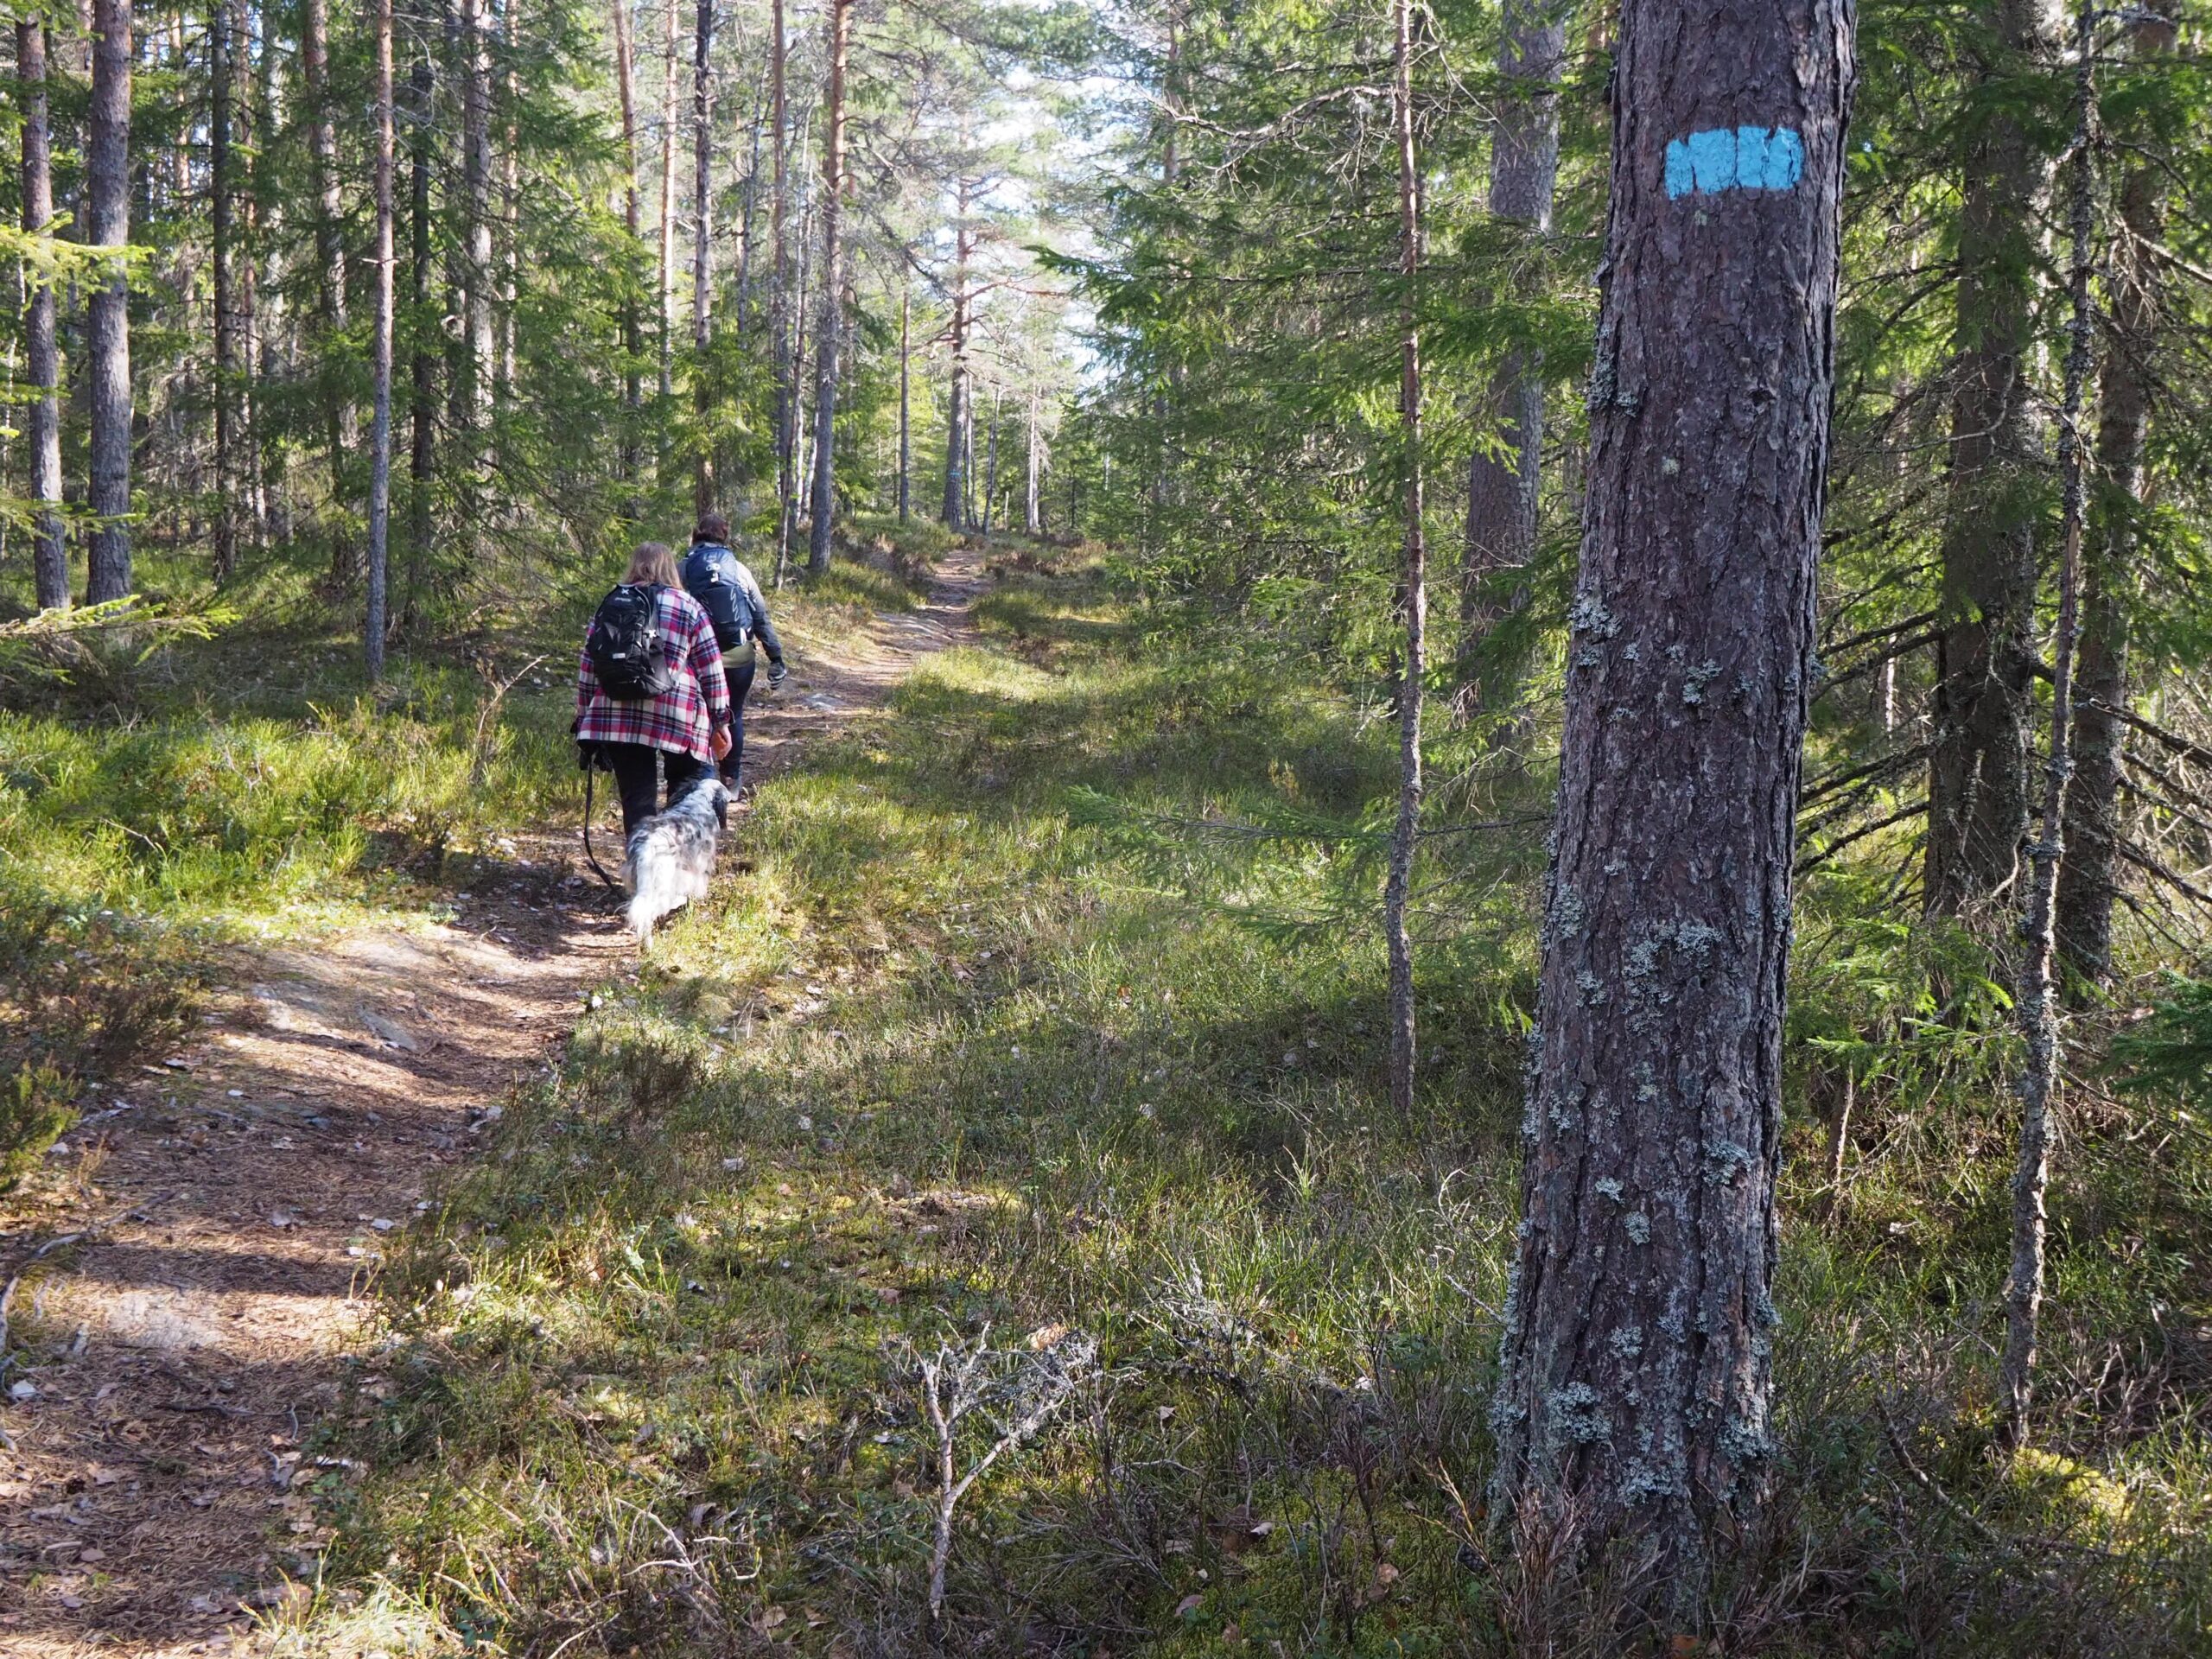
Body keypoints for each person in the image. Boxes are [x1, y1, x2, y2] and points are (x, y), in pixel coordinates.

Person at [576, 541, 734, 837]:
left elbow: (589, 665)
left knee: (637, 799)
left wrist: (585, 717)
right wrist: (721, 720)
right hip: (678, 714)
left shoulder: (611, 602)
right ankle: (677, 865)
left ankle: (641, 874)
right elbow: (711, 669)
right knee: (685, 792)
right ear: (670, 568)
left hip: (617, 713)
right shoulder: (688, 606)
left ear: (634, 566)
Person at [678, 510, 787, 791]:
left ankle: (700, 780)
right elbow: (760, 615)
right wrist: (775, 656)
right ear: (725, 537)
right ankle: (731, 780)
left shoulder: (684, 568)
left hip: (698, 659)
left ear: (696, 535)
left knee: (698, 715)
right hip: (739, 657)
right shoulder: (738, 569)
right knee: (734, 713)